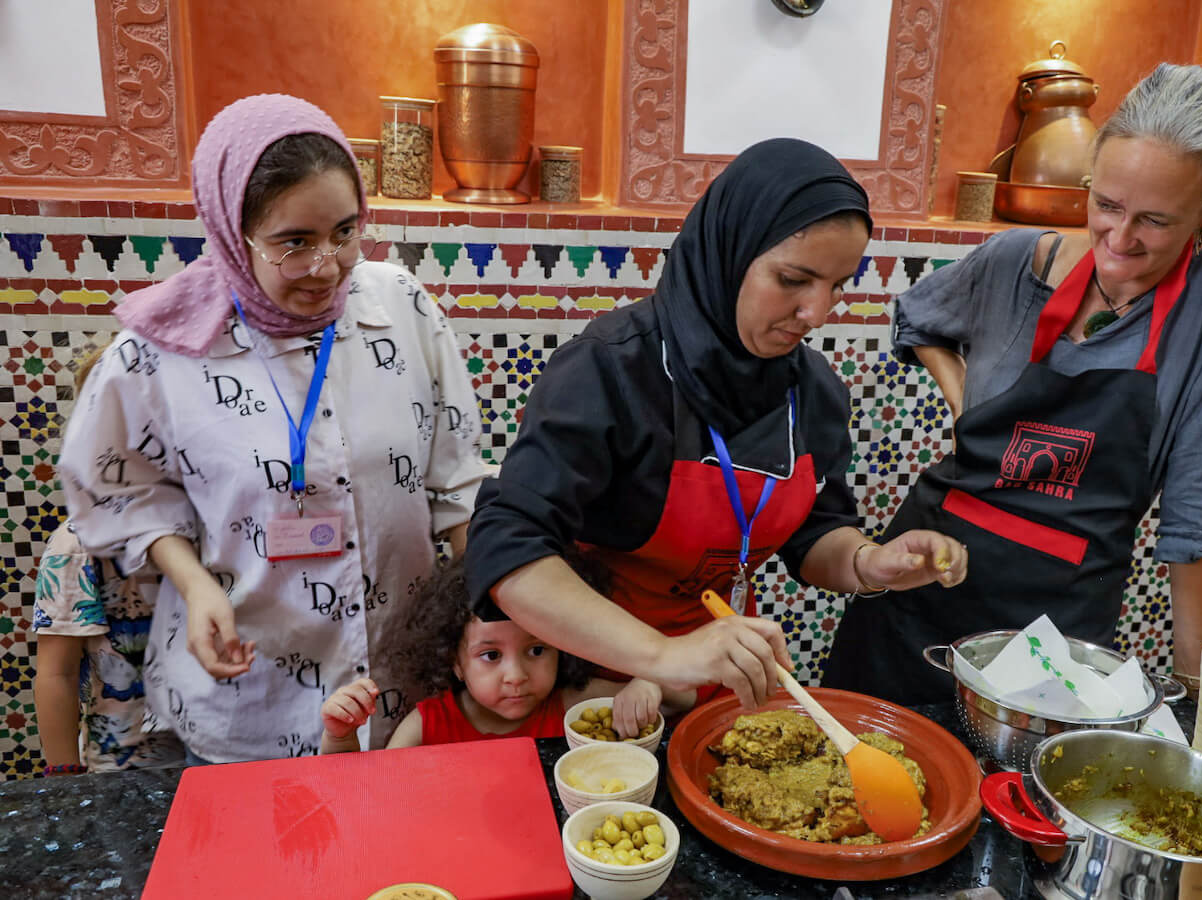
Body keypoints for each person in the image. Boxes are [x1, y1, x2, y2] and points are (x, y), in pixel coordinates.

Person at [467, 138, 968, 730]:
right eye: (792, 279)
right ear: (727, 253)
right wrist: (665, 657)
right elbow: (505, 547)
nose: (817, 313)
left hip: (730, 668)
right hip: (600, 683)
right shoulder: (609, 372)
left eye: (838, 285)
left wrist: (867, 562)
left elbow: (813, 531)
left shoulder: (813, 390)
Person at [824, 64, 1202, 706]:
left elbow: (1200, 507)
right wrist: (966, 406)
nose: (1119, 240)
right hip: (922, 584)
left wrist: (1198, 700)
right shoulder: (1017, 259)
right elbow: (917, 317)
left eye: (1154, 220)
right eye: (1106, 205)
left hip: (1056, 620)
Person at [57, 94, 486, 762]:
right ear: (234, 233)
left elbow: (455, 480)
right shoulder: (160, 352)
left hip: (400, 697)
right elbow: (120, 492)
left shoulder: (402, 309)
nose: (326, 266)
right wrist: (194, 584)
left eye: (345, 231)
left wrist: (492, 612)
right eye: (294, 243)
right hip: (249, 698)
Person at [320, 550, 694, 752]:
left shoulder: (573, 703)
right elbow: (375, 792)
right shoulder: (427, 725)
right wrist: (340, 737)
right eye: (491, 656)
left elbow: (685, 697)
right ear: (456, 662)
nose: (516, 676)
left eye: (536, 651)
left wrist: (648, 684)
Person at [34, 342, 185, 774]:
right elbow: (57, 673)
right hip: (126, 772)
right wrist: (64, 781)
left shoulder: (220, 526)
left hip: (229, 760)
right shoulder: (78, 544)